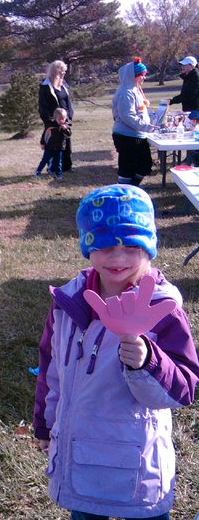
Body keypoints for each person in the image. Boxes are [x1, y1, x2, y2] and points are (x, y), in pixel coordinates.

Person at [33, 184, 199, 520]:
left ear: (149, 247)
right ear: (88, 246)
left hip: (137, 469)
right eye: (106, 245)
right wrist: (45, 425)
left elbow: (184, 387)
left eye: (131, 246)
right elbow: (51, 369)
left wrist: (147, 360)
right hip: (79, 461)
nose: (118, 258)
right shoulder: (68, 304)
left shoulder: (161, 309)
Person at [111, 57, 157, 186]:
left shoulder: (135, 90)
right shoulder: (126, 92)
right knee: (128, 168)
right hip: (126, 136)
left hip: (137, 135)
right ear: (134, 76)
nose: (144, 78)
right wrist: (146, 127)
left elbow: (140, 110)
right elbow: (127, 116)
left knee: (145, 165)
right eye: (142, 75)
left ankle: (132, 187)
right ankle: (124, 191)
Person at [39, 60, 74, 172]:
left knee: (66, 144)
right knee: (53, 146)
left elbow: (68, 102)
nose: (64, 73)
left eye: (65, 71)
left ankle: (67, 167)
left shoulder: (64, 85)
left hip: (64, 121)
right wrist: (51, 121)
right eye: (62, 71)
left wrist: (69, 117)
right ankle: (53, 168)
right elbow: (43, 107)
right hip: (53, 123)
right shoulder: (45, 87)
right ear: (55, 71)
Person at [35, 107, 71, 179]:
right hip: (49, 147)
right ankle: (38, 171)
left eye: (63, 118)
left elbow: (69, 134)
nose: (61, 120)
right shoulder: (50, 125)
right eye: (59, 119)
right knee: (45, 160)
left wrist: (65, 129)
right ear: (55, 118)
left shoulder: (65, 126)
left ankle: (58, 174)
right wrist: (42, 143)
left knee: (58, 162)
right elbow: (44, 135)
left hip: (59, 147)